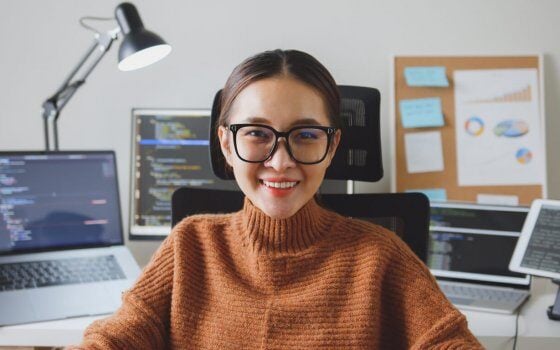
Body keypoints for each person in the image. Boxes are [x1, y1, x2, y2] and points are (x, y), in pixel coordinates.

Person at [71, 49, 482, 349]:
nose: (280, 162)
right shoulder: (190, 245)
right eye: (257, 133)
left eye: (305, 135)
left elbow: (448, 341)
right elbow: (119, 335)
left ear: (333, 145)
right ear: (226, 145)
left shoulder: (379, 256)